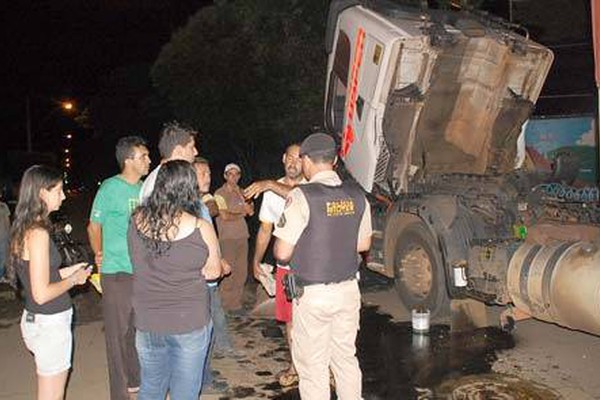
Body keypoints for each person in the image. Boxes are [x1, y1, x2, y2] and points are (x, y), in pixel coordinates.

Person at [273, 133, 373, 400]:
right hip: (348, 291)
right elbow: (363, 244)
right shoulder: (357, 194)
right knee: (345, 358)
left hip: (313, 295)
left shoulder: (302, 196)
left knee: (313, 365)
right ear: (336, 160)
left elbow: (282, 253)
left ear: (305, 161)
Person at [128, 160, 222, 400]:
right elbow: (213, 272)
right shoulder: (200, 226)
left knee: (151, 388)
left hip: (148, 321)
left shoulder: (136, 220)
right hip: (188, 322)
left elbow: (136, 259)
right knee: (185, 393)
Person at [7, 165, 91, 400]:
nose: (63, 196)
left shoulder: (24, 227)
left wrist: (68, 272)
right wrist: (74, 279)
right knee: (52, 395)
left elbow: (39, 277)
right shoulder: (38, 234)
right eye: (58, 190)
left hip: (38, 319)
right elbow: (42, 293)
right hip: (50, 323)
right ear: (42, 192)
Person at [87, 136, 150, 400]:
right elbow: (94, 226)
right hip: (117, 270)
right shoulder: (110, 188)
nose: (149, 160)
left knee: (141, 332)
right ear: (128, 160)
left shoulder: (147, 188)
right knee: (117, 335)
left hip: (144, 272)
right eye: (143, 156)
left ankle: (137, 383)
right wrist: (99, 255)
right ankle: (120, 394)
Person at [243, 143, 303, 386]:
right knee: (290, 320)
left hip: (313, 268)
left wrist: (268, 183)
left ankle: (325, 367)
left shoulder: (313, 187)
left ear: (306, 161)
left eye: (298, 158)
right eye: (289, 157)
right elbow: (265, 230)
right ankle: (295, 366)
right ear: (282, 159)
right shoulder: (270, 194)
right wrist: (256, 261)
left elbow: (296, 193)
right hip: (286, 267)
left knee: (316, 320)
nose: (292, 162)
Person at [193, 156, 232, 394]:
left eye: (209, 173)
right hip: (200, 281)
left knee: (205, 332)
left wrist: (219, 259)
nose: (208, 177)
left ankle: (204, 376)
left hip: (208, 278)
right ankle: (201, 379)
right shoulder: (192, 207)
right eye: (202, 173)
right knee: (201, 334)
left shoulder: (201, 203)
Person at [214, 163, 254, 312]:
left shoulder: (242, 192)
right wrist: (241, 213)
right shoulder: (219, 193)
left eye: (236, 174)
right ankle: (224, 305)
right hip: (227, 238)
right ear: (225, 176)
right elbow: (224, 215)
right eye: (230, 174)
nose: (233, 177)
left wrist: (244, 200)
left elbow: (251, 211)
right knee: (228, 273)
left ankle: (235, 304)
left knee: (241, 272)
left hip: (242, 236)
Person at [139, 121, 199, 203]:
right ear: (178, 151)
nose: (196, 152)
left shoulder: (167, 178)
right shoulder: (160, 183)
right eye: (191, 147)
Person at [0, 190, 11, 281]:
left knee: (4, 257)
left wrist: (10, 234)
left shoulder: (3, 206)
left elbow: (7, 221)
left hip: (4, 236)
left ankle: (1, 276)